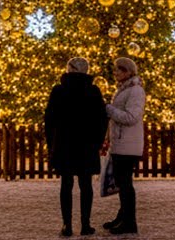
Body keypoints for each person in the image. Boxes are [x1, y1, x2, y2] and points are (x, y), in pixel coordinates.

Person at [45, 57, 108, 237]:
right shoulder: (93, 90)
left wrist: (51, 143)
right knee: (85, 184)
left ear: (71, 70)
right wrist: (97, 141)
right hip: (87, 144)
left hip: (64, 143)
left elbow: (49, 119)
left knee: (66, 184)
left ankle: (67, 225)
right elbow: (101, 119)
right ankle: (85, 224)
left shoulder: (58, 90)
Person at [103, 57, 146, 236]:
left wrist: (109, 109)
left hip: (128, 144)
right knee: (122, 183)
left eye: (119, 70)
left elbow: (131, 117)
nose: (115, 74)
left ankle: (129, 222)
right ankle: (123, 217)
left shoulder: (135, 91)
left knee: (125, 184)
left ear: (128, 72)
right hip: (121, 143)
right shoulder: (124, 89)